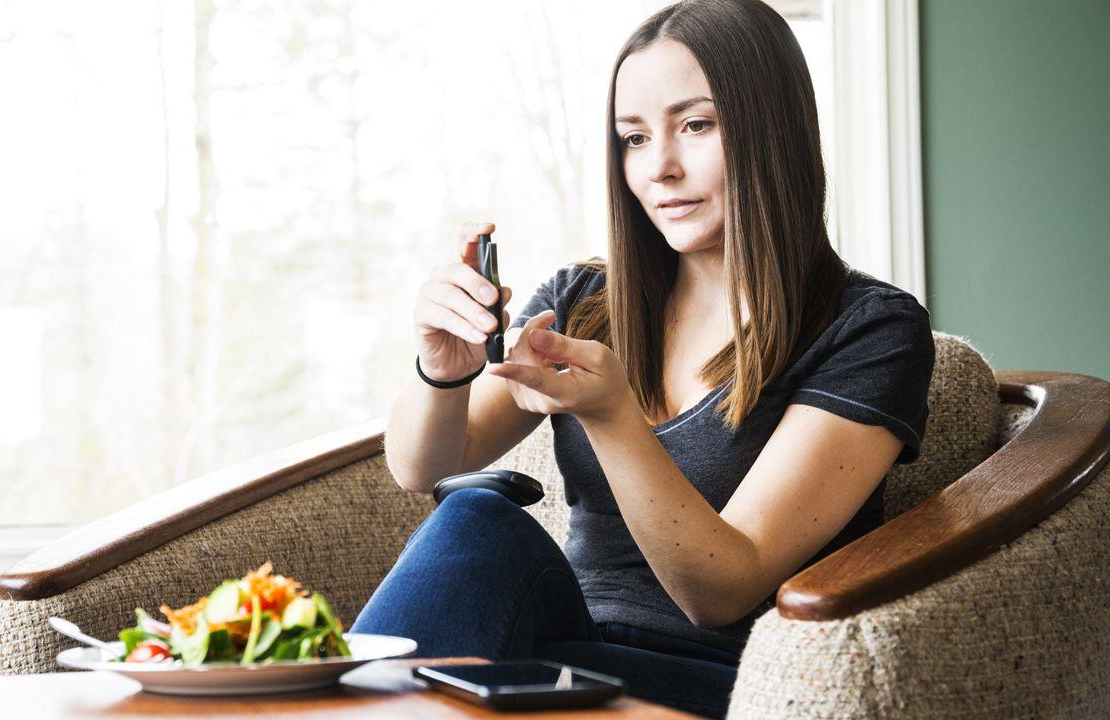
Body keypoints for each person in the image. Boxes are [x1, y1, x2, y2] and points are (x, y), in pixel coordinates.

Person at [351, 0, 935, 716]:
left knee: (477, 682)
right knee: (475, 516)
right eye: (632, 138)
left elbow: (721, 590)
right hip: (565, 647)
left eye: (696, 126)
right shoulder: (585, 299)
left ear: (772, 129)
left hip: (718, 678)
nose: (658, 167)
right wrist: (442, 369)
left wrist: (612, 415)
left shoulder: (869, 330)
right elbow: (424, 467)